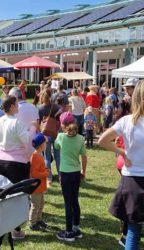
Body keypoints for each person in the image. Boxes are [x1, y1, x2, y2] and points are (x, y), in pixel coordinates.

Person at [98, 81, 144, 250]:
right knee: (133, 229)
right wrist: (122, 152)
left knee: (133, 228)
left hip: (131, 179)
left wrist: (122, 152)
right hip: (132, 178)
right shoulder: (126, 121)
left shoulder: (126, 121)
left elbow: (103, 140)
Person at [0, 95, 31, 240]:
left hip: (2, 161)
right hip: (16, 163)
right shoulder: (17, 123)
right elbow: (25, 140)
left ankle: (5, 226)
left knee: (5, 194)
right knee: (17, 196)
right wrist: (31, 131)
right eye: (16, 104)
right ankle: (16, 231)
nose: (18, 106)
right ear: (11, 106)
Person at [54, 112, 87, 242]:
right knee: (75, 200)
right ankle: (76, 228)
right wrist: (84, 171)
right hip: (76, 172)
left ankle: (68, 232)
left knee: (67, 203)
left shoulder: (61, 137)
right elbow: (84, 156)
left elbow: (56, 146)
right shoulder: (80, 138)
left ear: (63, 125)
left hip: (66, 173)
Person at [38, 91, 60, 184]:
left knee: (46, 157)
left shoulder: (40, 108)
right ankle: (61, 176)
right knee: (58, 156)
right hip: (55, 133)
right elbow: (59, 120)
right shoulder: (55, 107)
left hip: (45, 134)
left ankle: (49, 177)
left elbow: (39, 122)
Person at [29, 133, 49, 231]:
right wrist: (45, 174)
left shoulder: (39, 154)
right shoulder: (36, 156)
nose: (46, 144)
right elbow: (34, 173)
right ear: (41, 145)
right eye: (45, 143)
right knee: (35, 205)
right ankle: (32, 223)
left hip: (40, 186)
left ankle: (39, 220)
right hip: (36, 187)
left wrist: (45, 170)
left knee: (41, 204)